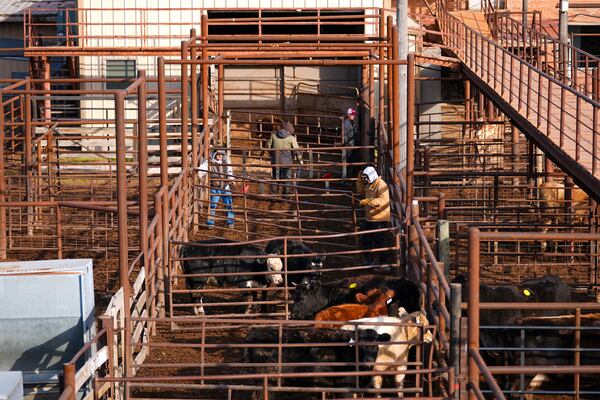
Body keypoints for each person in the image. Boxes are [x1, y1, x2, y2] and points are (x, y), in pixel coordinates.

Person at [357, 166, 390, 263]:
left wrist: (369, 201)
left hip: (380, 218)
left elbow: (383, 200)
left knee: (380, 242)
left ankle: (384, 264)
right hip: (370, 218)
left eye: (366, 177)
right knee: (366, 239)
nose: (365, 180)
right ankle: (369, 260)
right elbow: (360, 191)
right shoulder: (370, 184)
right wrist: (359, 181)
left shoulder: (381, 185)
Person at [267, 121, 302, 195]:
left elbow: (268, 147)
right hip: (286, 162)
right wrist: (300, 160)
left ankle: (273, 194)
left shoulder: (273, 136)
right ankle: (286, 194)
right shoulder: (291, 138)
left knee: (275, 177)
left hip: (275, 161)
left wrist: (273, 155)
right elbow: (296, 150)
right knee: (287, 178)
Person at [206, 149, 235, 229]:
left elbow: (229, 171)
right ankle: (210, 223)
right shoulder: (210, 162)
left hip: (225, 187)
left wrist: (231, 180)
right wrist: (199, 174)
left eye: (221, 154)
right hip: (215, 187)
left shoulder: (226, 161)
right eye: (218, 154)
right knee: (213, 205)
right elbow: (202, 169)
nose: (220, 156)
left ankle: (230, 222)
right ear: (214, 154)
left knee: (229, 204)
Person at [343, 107, 359, 176]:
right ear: (348, 115)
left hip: (352, 146)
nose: (353, 116)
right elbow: (345, 136)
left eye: (354, 114)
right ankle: (347, 177)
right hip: (349, 146)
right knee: (348, 162)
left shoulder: (351, 123)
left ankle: (350, 176)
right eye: (352, 114)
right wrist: (348, 144)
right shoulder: (346, 123)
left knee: (352, 162)